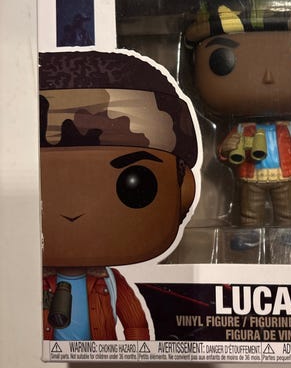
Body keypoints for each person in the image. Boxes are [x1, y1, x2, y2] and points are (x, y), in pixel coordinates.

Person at [40, 50, 198, 340]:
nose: (74, 209)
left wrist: (136, 354)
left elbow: (135, 322)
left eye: (134, 185)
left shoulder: (112, 283)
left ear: (183, 189)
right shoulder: (28, 284)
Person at [186, 0, 291, 234]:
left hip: (283, 176)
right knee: (250, 214)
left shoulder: (289, 129)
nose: (268, 77)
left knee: (287, 212)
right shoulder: (243, 130)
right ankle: (249, 236)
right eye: (222, 61)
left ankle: (289, 234)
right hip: (251, 176)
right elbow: (226, 154)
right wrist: (227, 149)